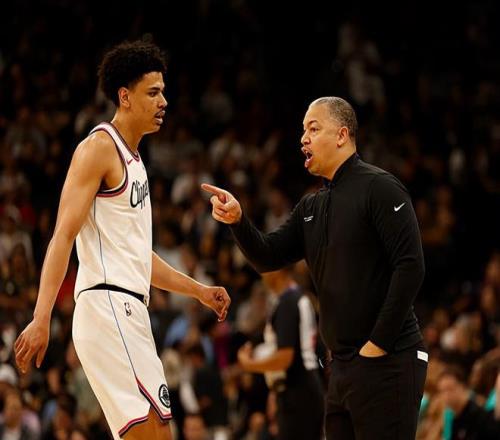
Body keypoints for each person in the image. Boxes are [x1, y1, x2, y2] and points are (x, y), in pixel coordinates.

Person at [14, 40, 231, 440]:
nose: (164, 101)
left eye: (163, 91)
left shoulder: (136, 161)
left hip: (128, 308)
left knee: (159, 432)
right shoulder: (99, 148)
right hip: (107, 305)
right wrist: (41, 317)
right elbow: (63, 235)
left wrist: (198, 291)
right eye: (153, 93)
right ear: (125, 97)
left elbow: (139, 257)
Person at [202, 96, 427, 439]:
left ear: (342, 135)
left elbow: (411, 266)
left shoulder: (380, 187)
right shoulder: (311, 206)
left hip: (389, 360)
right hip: (341, 367)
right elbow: (267, 256)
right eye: (303, 130)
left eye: (313, 128)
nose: (303, 138)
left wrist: (377, 344)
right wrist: (238, 221)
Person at [237, 267, 324, 439]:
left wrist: (249, 364)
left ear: (276, 270)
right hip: (304, 388)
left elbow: (285, 358)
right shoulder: (296, 296)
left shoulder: (287, 302)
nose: (262, 274)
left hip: (298, 393)